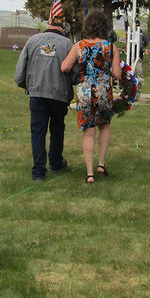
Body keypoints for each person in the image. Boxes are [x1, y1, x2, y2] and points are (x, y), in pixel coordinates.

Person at [61, 9, 122, 184]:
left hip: (85, 93)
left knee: (88, 133)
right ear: (105, 27)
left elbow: (64, 67)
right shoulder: (111, 47)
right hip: (103, 92)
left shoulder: (79, 46)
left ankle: (89, 173)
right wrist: (106, 69)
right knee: (104, 127)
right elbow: (117, 74)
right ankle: (101, 164)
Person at [15, 14, 77, 180]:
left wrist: (27, 86)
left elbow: (20, 71)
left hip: (37, 93)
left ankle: (38, 172)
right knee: (57, 128)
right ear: (63, 28)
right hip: (59, 95)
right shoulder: (67, 44)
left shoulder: (33, 40)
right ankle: (56, 163)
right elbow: (75, 75)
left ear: (49, 24)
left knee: (38, 131)